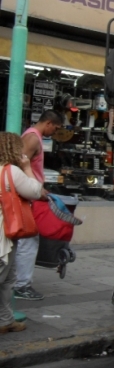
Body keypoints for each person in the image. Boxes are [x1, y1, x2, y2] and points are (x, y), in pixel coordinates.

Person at [13, 110, 62, 301]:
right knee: (28, 241)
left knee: (26, 241)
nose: (55, 132)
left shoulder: (33, 136)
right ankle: (21, 285)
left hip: (31, 194)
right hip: (28, 196)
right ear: (48, 123)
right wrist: (35, 190)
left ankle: (18, 282)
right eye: (55, 128)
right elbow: (20, 165)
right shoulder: (33, 138)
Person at [0, 133, 46, 333]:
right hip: (4, 232)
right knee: (3, 278)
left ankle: (5, 320)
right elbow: (35, 191)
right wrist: (27, 168)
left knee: (9, 279)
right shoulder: (11, 172)